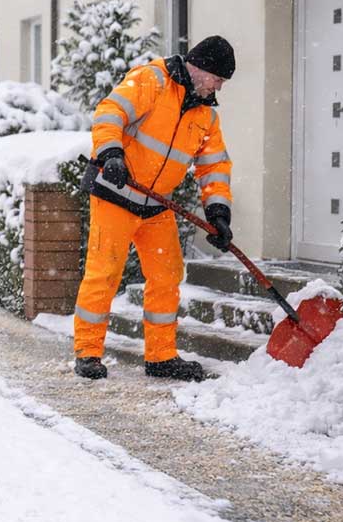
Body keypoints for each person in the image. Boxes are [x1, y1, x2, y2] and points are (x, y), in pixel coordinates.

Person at [72, 35, 237, 382]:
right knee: (105, 273)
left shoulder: (206, 115)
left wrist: (218, 213)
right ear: (200, 68)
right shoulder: (153, 80)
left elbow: (214, 167)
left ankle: (161, 357)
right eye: (218, 78)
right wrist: (111, 153)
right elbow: (110, 111)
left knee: (167, 276)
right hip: (116, 193)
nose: (219, 87)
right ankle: (88, 353)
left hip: (156, 205)